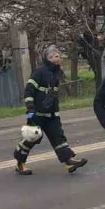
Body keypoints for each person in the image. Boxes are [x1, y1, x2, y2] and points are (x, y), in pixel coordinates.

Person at [13, 45, 89, 175]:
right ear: (47, 59)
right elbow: (28, 91)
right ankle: (20, 164)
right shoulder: (39, 72)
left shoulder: (57, 73)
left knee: (58, 138)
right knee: (31, 138)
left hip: (52, 114)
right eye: (52, 56)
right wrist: (30, 108)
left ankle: (68, 162)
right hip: (37, 114)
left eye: (57, 56)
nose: (56, 59)